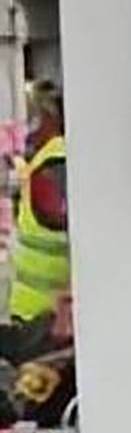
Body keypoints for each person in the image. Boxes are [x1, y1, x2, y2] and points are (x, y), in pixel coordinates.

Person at [5, 80, 68, 365]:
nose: (26, 130)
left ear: (49, 118)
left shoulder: (56, 166)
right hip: (43, 321)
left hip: (52, 325)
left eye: (32, 118)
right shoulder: (50, 162)